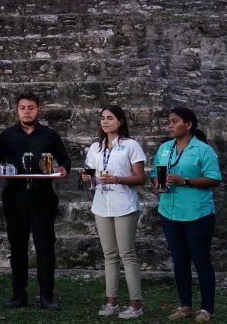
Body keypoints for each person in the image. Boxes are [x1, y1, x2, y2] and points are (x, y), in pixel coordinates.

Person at [0, 94, 71, 311]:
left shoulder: (50, 135)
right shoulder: (6, 136)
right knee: (17, 247)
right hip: (15, 198)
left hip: (43, 197)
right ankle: (19, 294)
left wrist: (62, 169)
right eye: (23, 108)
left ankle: (46, 296)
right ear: (17, 111)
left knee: (45, 247)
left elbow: (64, 160)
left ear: (38, 110)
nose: (27, 111)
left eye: (31, 108)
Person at [151, 107, 221, 323]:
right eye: (168, 122)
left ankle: (206, 309)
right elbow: (155, 173)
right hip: (169, 213)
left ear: (188, 124)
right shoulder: (164, 148)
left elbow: (214, 179)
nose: (170, 125)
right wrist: (157, 185)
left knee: (201, 261)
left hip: (197, 214)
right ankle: (185, 306)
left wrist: (185, 181)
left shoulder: (203, 150)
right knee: (180, 261)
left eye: (174, 121)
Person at [81, 106, 147, 319]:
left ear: (120, 121)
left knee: (126, 253)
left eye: (110, 118)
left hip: (124, 204)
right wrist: (86, 177)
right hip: (101, 204)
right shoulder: (95, 147)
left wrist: (118, 179)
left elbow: (141, 178)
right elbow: (90, 172)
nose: (105, 122)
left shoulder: (130, 145)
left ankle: (135, 305)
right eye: (102, 118)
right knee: (109, 255)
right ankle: (112, 303)